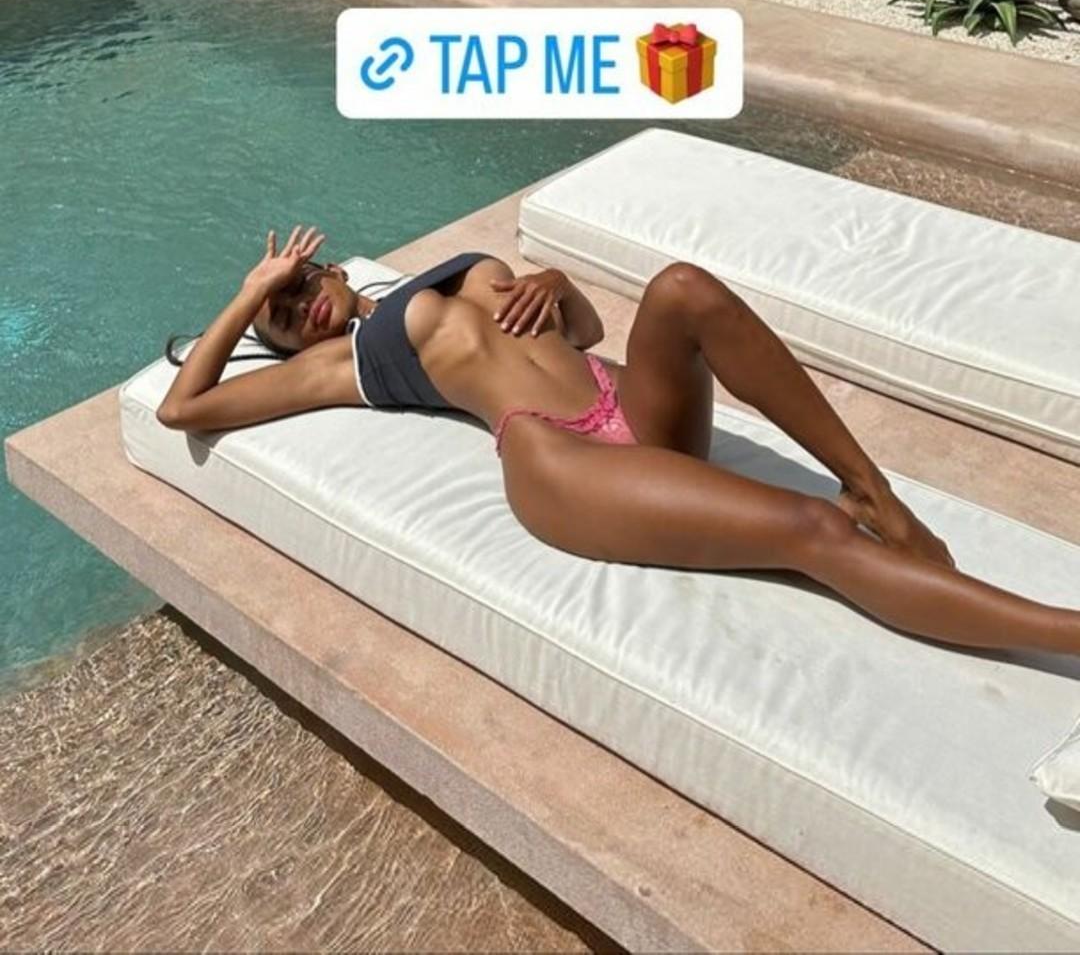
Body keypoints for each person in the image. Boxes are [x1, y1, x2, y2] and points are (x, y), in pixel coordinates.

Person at [158, 225, 1080, 661]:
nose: (299, 308)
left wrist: (555, 280)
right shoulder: (345, 361)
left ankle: (875, 487)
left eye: (297, 286)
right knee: (812, 532)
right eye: (282, 318)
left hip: (622, 399)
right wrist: (249, 294)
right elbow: (184, 409)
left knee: (682, 287)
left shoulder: (441, 274)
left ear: (329, 263)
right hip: (562, 460)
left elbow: (586, 331)